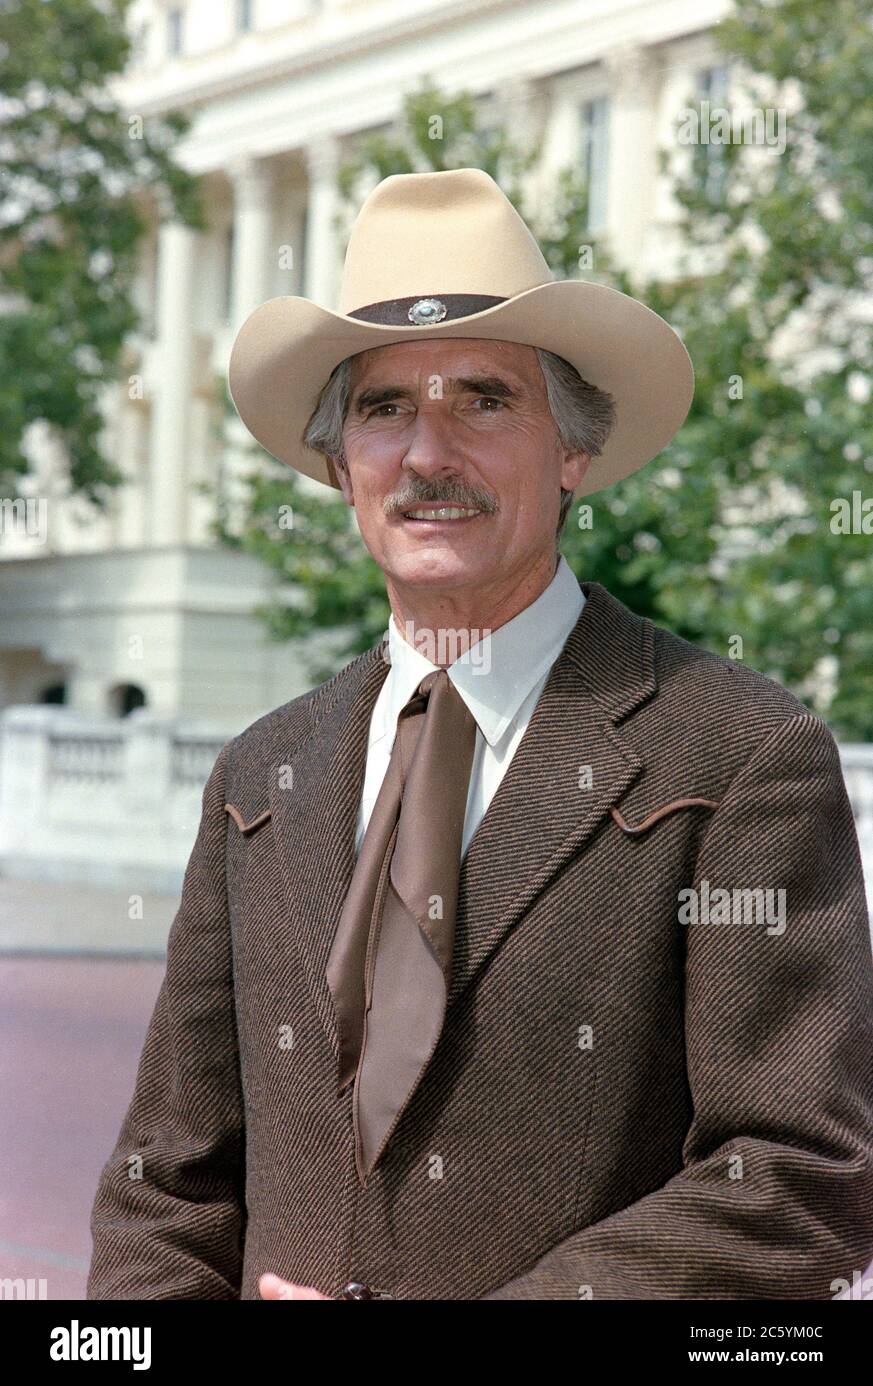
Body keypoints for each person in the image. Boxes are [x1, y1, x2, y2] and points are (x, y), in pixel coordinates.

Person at [87, 167, 873, 1300]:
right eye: (384, 407)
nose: (427, 452)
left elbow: (800, 1178)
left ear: (574, 451)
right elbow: (164, 1184)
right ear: (339, 467)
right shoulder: (259, 775)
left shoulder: (741, 756)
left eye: (484, 398)